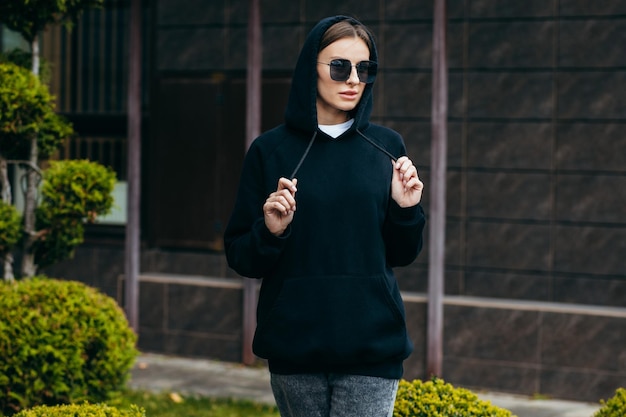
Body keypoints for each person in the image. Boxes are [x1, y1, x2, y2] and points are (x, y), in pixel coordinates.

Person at [224, 15, 426, 417]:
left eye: (365, 69)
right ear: (309, 70)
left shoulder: (387, 146)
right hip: (294, 345)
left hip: (372, 346)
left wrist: (407, 208)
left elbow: (403, 254)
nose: (354, 79)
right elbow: (242, 255)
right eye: (340, 67)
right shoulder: (270, 151)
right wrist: (271, 230)